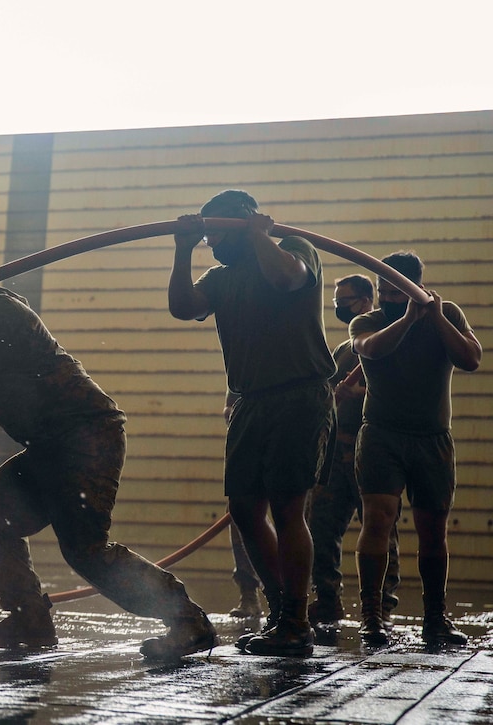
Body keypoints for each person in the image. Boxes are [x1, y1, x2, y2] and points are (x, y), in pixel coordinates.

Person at [0, 266, 217, 660]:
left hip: (84, 438)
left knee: (85, 549)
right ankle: (29, 621)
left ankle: (187, 620)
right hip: (53, 446)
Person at [167, 189, 335, 657]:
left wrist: (261, 234)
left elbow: (285, 281)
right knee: (244, 509)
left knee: (286, 506)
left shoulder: (294, 252)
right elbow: (183, 306)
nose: (211, 240)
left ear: (244, 221)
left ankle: (296, 621)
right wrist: (182, 248)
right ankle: (283, 610)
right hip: (249, 400)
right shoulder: (220, 278)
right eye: (207, 233)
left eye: (218, 229)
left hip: (299, 394)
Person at [351, 252, 481, 646]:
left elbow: (471, 359)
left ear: (414, 286)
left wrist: (435, 317)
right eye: (383, 289)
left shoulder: (450, 314)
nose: (387, 296)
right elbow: (370, 349)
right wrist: (407, 318)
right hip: (381, 436)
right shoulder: (369, 320)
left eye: (395, 289)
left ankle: (435, 616)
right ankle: (372, 615)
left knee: (433, 530)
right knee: (378, 518)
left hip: (432, 438)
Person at [306, 274, 401, 643]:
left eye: (345, 299)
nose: (338, 306)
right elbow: (327, 392)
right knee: (321, 529)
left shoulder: (382, 343)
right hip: (335, 453)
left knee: (379, 531)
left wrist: (358, 395)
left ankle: (381, 609)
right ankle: (327, 601)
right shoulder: (344, 350)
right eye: (335, 299)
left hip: (371, 450)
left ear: (365, 300)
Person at [223, 392, 263, 619]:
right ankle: (249, 594)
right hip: (246, 432)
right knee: (241, 513)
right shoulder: (243, 358)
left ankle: (290, 603)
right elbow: (229, 401)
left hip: (288, 428)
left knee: (291, 516)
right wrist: (230, 412)